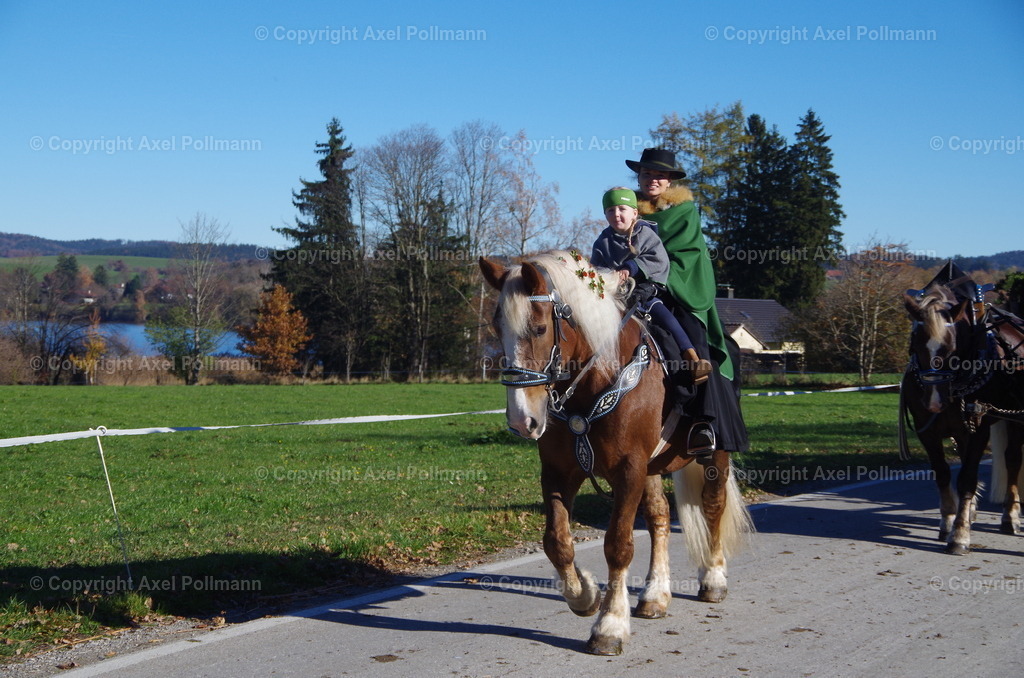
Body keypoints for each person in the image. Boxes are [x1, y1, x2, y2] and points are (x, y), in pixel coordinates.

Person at [626, 147, 749, 455]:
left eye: (659, 175)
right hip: (632, 290)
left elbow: (682, 258)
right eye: (646, 173)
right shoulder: (627, 211)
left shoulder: (683, 213)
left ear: (669, 181)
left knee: (695, 340)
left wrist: (649, 276)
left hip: (678, 291)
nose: (652, 179)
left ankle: (703, 423)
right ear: (639, 177)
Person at [590, 187, 713, 390]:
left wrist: (630, 268)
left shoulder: (645, 233)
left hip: (643, 291)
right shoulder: (602, 241)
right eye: (610, 210)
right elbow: (597, 266)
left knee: (666, 318)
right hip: (615, 295)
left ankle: (690, 356)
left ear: (634, 213)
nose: (616, 214)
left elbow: (657, 259)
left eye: (622, 208)